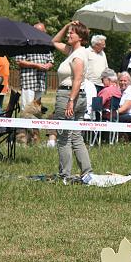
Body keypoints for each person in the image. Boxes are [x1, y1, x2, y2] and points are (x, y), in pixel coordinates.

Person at [52, 21, 93, 180]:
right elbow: (54, 41)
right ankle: (87, 172)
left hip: (69, 96)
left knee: (64, 137)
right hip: (78, 97)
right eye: (68, 32)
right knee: (76, 136)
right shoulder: (72, 51)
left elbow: (77, 79)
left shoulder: (78, 56)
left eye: (72, 33)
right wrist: (67, 25)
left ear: (80, 37)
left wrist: (70, 101)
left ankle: (65, 175)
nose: (68, 35)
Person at [14, 22, 54, 110]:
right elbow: (19, 61)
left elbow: (51, 61)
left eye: (42, 32)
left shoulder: (46, 45)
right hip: (29, 81)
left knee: (37, 109)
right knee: (27, 109)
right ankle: (25, 123)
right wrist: (36, 65)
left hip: (40, 82)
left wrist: (48, 65)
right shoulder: (25, 43)